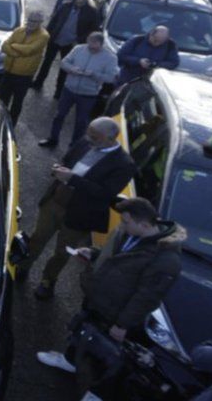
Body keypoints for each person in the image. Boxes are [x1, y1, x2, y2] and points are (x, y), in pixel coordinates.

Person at [36, 197, 184, 401]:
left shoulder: (167, 259)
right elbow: (114, 256)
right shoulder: (131, 233)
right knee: (81, 332)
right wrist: (94, 253)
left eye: (125, 222)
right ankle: (68, 360)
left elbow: (146, 297)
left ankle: (96, 394)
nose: (121, 226)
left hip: (117, 314)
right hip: (98, 300)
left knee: (109, 356)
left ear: (144, 224)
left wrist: (123, 324)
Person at [26, 117, 135, 300]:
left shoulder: (124, 164)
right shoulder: (86, 141)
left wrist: (72, 179)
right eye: (88, 133)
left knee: (62, 252)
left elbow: (105, 194)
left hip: (79, 214)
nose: (88, 139)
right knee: (37, 238)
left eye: (94, 137)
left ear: (110, 138)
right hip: (56, 201)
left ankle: (47, 281)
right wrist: (59, 168)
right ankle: (22, 267)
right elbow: (68, 159)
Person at [42, 32, 119, 148]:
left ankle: (74, 146)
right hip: (69, 89)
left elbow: (110, 78)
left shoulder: (110, 58)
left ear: (101, 44)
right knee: (59, 115)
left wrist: (93, 74)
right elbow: (64, 63)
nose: (91, 46)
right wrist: (72, 69)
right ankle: (52, 139)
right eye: (89, 42)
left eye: (94, 44)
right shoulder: (78, 49)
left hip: (88, 94)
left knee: (81, 122)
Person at [34, 0, 100, 98]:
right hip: (55, 39)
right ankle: (38, 83)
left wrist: (79, 41)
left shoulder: (92, 12)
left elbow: (92, 31)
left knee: (65, 68)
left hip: (71, 44)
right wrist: (47, 35)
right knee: (46, 63)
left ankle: (58, 92)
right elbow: (54, 21)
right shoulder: (65, 6)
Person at [0, 10, 49, 125]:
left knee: (17, 103)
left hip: (24, 76)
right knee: (1, 101)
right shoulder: (18, 30)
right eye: (30, 20)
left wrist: (13, 46)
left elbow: (29, 50)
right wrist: (16, 51)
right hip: (8, 71)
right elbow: (4, 46)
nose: (31, 23)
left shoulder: (43, 36)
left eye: (35, 21)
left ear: (40, 22)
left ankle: (11, 126)